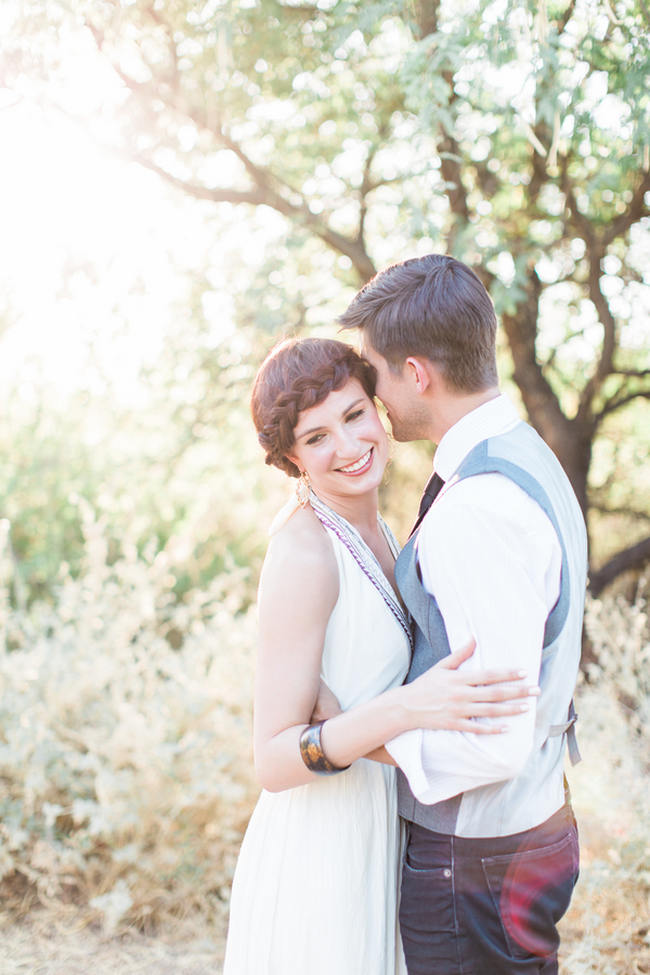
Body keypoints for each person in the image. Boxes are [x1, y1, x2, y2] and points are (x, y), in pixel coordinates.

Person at [222, 337, 537, 975]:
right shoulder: (306, 550)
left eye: (353, 414)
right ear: (290, 457)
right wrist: (404, 708)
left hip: (377, 825)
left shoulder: (379, 528)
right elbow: (274, 759)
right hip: (318, 845)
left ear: (379, 409)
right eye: (315, 438)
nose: (346, 445)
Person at [338, 253, 588, 975]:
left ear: (416, 373)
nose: (374, 396)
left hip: (476, 859)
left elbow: (494, 743)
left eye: (375, 374)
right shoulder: (523, 456)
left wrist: (366, 735)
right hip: (516, 836)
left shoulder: (479, 506)